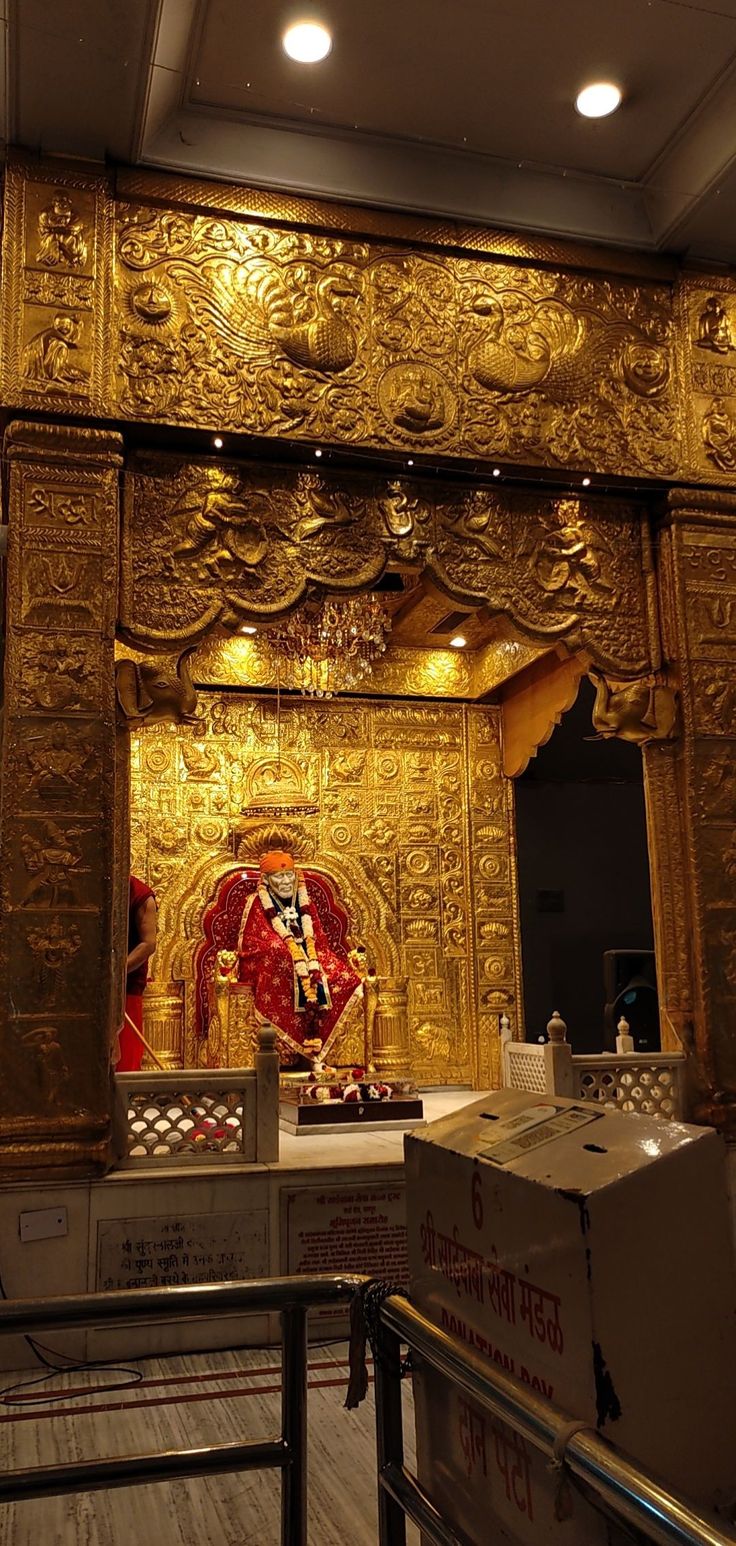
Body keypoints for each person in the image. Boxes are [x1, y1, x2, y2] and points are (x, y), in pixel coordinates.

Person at [236, 850, 362, 1066]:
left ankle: (333, 1054)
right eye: (279, 877)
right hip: (276, 962)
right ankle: (289, 1051)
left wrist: (309, 956)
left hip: (311, 957)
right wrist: (288, 953)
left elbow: (319, 939)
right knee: (278, 953)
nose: (285, 882)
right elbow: (255, 941)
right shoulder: (257, 901)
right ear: (266, 880)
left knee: (346, 978)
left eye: (289, 876)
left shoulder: (304, 900)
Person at [116, 875, 157, 1072]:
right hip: (91, 984)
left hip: (127, 983)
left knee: (126, 1053)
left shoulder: (141, 895)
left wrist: (117, 972)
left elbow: (148, 944)